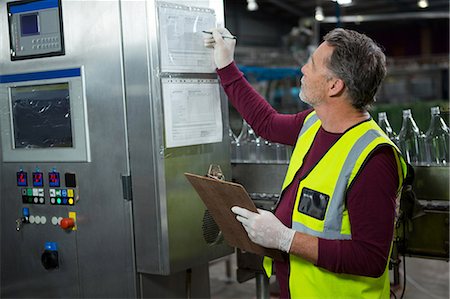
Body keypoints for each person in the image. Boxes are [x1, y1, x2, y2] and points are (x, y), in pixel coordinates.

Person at [204, 27, 407, 299]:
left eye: (311, 64)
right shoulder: (313, 124)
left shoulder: (374, 160)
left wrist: (286, 239)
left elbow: (370, 259)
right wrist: (226, 66)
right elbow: (266, 123)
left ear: (335, 85)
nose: (302, 69)